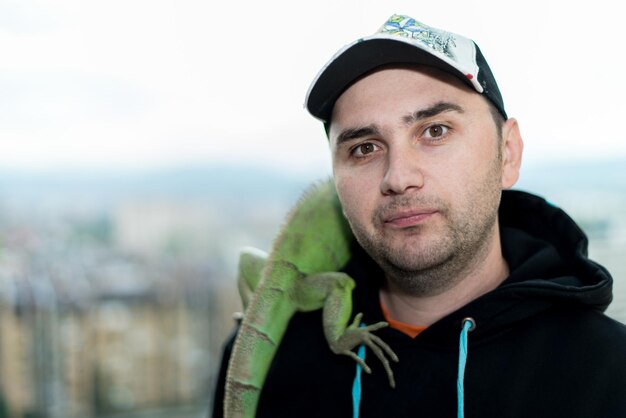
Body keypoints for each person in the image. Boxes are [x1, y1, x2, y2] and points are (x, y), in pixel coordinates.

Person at [211, 14, 626, 418]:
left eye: (435, 131)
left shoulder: (608, 374)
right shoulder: (268, 362)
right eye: (364, 148)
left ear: (508, 153)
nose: (398, 177)